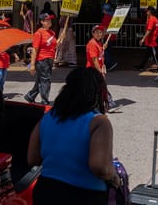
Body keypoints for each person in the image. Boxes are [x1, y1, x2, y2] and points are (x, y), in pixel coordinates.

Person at [27, 67, 120, 205]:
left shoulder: (48, 117)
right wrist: (114, 177)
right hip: (84, 195)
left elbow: (32, 159)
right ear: (97, 92)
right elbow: (99, 167)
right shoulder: (99, 122)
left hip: (46, 190)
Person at [24, 12, 57, 105]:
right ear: (42, 22)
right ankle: (45, 101)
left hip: (50, 59)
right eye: (47, 20)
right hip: (43, 60)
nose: (50, 21)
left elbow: (53, 45)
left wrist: (60, 39)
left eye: (50, 19)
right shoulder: (39, 33)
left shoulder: (52, 32)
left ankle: (30, 96)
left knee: (41, 80)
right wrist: (32, 65)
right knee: (46, 80)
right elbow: (35, 50)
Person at [86, 24, 118, 110]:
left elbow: (100, 56)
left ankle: (101, 105)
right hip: (93, 70)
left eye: (100, 32)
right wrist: (100, 71)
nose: (99, 34)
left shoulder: (99, 43)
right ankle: (109, 104)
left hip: (97, 70)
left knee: (97, 89)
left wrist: (103, 66)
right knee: (102, 88)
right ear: (93, 33)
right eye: (96, 32)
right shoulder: (92, 44)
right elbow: (94, 59)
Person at [138, 6, 158, 73]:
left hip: (152, 40)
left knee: (155, 55)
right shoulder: (154, 19)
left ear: (150, 12)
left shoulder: (152, 19)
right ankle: (141, 66)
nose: (146, 12)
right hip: (151, 40)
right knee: (147, 54)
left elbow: (149, 30)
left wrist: (143, 39)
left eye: (147, 11)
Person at [99, 3, 119, 71]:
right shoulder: (112, 16)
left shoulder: (106, 17)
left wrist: (101, 38)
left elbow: (104, 29)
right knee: (108, 51)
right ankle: (108, 65)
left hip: (107, 36)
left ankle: (111, 63)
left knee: (103, 51)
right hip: (112, 36)